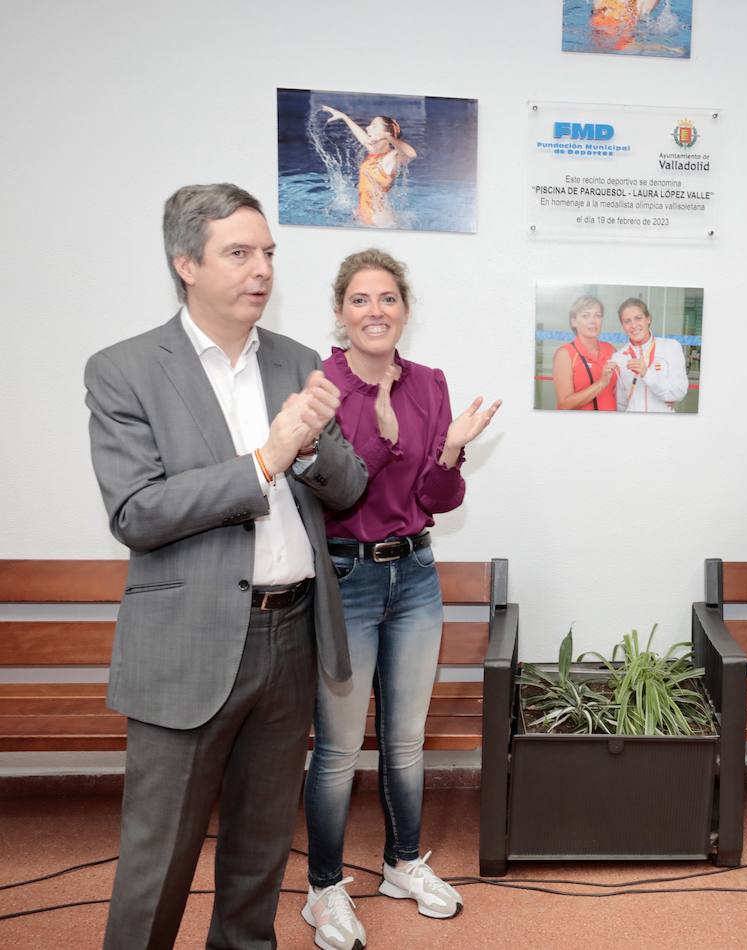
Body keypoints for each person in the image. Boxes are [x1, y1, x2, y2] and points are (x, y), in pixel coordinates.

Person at [85, 183, 368, 949]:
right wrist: (266, 458)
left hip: (292, 634)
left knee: (260, 853)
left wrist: (308, 449)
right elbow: (136, 512)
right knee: (158, 861)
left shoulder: (300, 361)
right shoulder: (125, 369)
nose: (261, 270)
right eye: (238, 253)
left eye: (268, 253)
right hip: (189, 640)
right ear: (186, 263)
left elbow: (349, 487)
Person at [302, 248, 501, 949]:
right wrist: (385, 442)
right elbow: (336, 491)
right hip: (346, 578)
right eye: (360, 299)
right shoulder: (321, 387)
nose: (375, 311)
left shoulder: (429, 384)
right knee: (336, 748)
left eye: (387, 299)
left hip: (415, 575)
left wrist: (447, 454)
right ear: (340, 312)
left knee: (406, 740)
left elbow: (435, 502)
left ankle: (401, 864)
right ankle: (322, 889)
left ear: (405, 312)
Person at [320, 105, 417, 226]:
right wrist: (344, 117)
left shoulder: (391, 157)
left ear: (386, 133)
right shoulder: (374, 154)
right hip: (364, 215)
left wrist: (387, 136)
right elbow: (363, 138)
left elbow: (411, 154)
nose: (367, 128)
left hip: (378, 220)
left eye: (374, 126)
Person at [609, 297, 688, 412]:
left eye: (638, 318)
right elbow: (621, 403)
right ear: (623, 326)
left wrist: (647, 374)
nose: (633, 325)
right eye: (627, 321)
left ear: (648, 319)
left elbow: (679, 392)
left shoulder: (671, 347)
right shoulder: (618, 358)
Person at [551, 293, 619, 410]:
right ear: (574, 322)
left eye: (597, 315)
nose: (593, 321)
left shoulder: (611, 350)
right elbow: (564, 404)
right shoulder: (565, 354)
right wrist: (601, 383)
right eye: (585, 316)